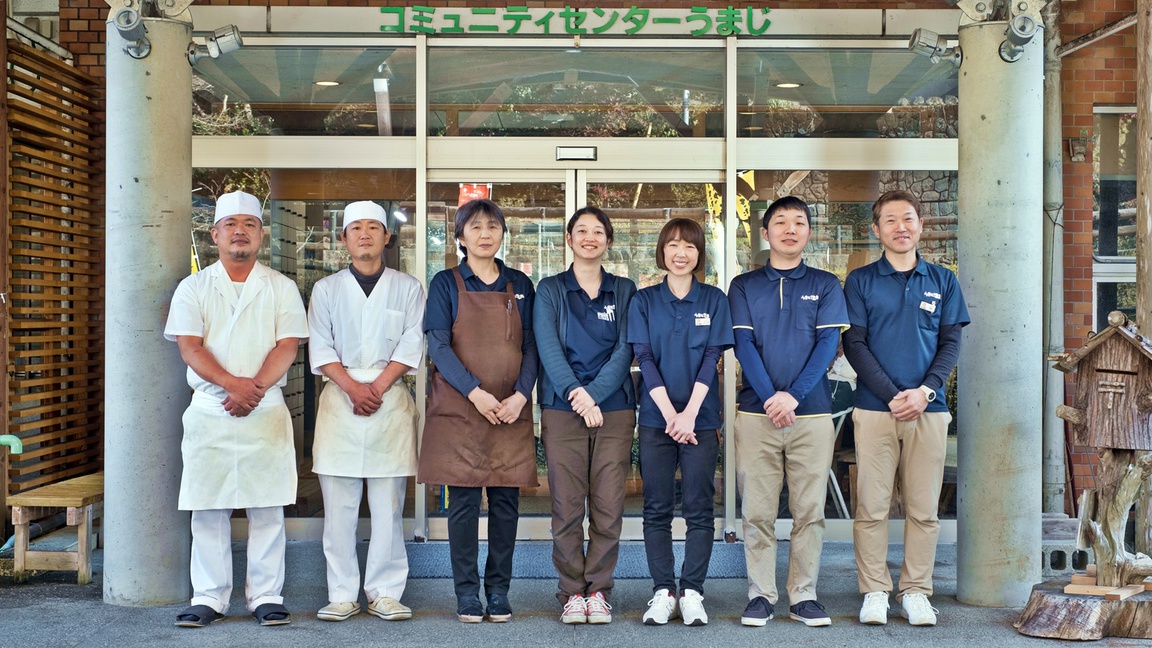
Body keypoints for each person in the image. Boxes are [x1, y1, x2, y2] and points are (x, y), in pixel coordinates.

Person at [164, 191, 308, 628]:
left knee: (267, 507)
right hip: (211, 407)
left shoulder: (281, 287)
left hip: (264, 409)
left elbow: (289, 345)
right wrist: (233, 386)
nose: (240, 230)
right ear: (215, 234)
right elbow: (190, 346)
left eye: (249, 223)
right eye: (231, 224)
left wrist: (254, 389)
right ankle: (209, 597)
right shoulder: (193, 287)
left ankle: (266, 596)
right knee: (208, 507)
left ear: (261, 234)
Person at [843, 190, 969, 627]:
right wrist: (895, 394)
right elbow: (854, 343)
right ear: (876, 229)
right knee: (872, 507)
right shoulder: (860, 280)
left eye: (908, 219)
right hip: (876, 410)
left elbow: (951, 342)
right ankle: (874, 589)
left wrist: (925, 392)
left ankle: (916, 591)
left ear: (920, 226)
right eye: (890, 220)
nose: (901, 226)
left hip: (928, 412)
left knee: (923, 509)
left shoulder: (943, 280)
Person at [728, 196, 849, 628]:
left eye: (799, 222)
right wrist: (771, 398)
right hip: (756, 416)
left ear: (809, 233)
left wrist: (793, 396)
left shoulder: (826, 284)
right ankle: (760, 594)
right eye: (780, 222)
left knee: (809, 511)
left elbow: (826, 347)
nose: (790, 229)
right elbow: (744, 346)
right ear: (766, 233)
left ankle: (803, 596)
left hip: (812, 415)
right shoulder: (743, 286)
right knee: (757, 512)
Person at [417, 199, 538, 624]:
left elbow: (530, 347)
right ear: (461, 236)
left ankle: (499, 591)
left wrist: (522, 395)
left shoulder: (520, 283)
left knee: (506, 505)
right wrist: (476, 393)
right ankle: (467, 594)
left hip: (510, 411)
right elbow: (438, 345)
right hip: (462, 411)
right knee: (463, 507)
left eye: (493, 226)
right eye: (476, 227)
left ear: (503, 233)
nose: (485, 234)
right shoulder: (446, 282)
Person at [307, 201, 425, 623]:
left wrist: (374, 387)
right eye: (355, 228)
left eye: (373, 227)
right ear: (343, 239)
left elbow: (412, 344)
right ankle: (341, 593)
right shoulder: (325, 290)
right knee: (338, 507)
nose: (364, 234)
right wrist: (353, 388)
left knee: (388, 505)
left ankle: (385, 592)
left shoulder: (408, 287)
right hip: (340, 401)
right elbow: (319, 347)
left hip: (388, 399)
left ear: (387, 237)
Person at [628, 217, 733, 627]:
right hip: (657, 420)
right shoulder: (644, 300)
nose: (680, 252)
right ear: (662, 252)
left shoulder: (714, 299)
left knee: (698, 508)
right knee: (655, 508)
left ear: (698, 253)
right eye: (672, 245)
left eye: (688, 245)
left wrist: (689, 414)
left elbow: (713, 359)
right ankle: (662, 591)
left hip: (701, 421)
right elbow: (644, 358)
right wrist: (672, 415)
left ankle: (692, 591)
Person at [534, 207, 637, 625]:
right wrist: (578, 395)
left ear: (608, 241)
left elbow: (627, 348)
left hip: (614, 408)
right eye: (582, 231)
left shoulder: (625, 290)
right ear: (569, 239)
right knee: (567, 506)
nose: (590, 237)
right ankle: (571, 592)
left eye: (598, 231)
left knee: (610, 506)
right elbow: (548, 348)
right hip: (563, 409)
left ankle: (599, 590)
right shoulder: (551, 289)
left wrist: (594, 396)